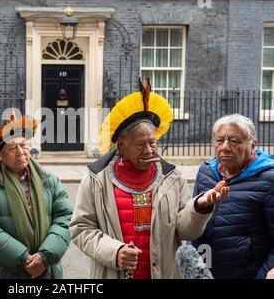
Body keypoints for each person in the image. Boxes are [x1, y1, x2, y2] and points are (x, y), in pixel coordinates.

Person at [70, 78, 228, 279]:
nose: (148, 150)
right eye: (140, 144)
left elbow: (185, 231)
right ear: (121, 145)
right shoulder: (96, 181)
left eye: (152, 142)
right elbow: (81, 229)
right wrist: (115, 252)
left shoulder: (173, 178)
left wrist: (200, 205)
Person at [0, 111, 73, 279]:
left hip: (47, 270)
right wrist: (24, 258)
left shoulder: (49, 180)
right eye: (12, 149)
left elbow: (65, 218)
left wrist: (45, 257)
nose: (21, 152)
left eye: (23, 145)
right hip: (3, 272)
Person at [192, 114, 274, 279]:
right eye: (219, 140)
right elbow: (195, 226)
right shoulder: (206, 172)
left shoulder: (269, 179)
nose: (225, 147)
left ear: (253, 145)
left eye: (234, 141)